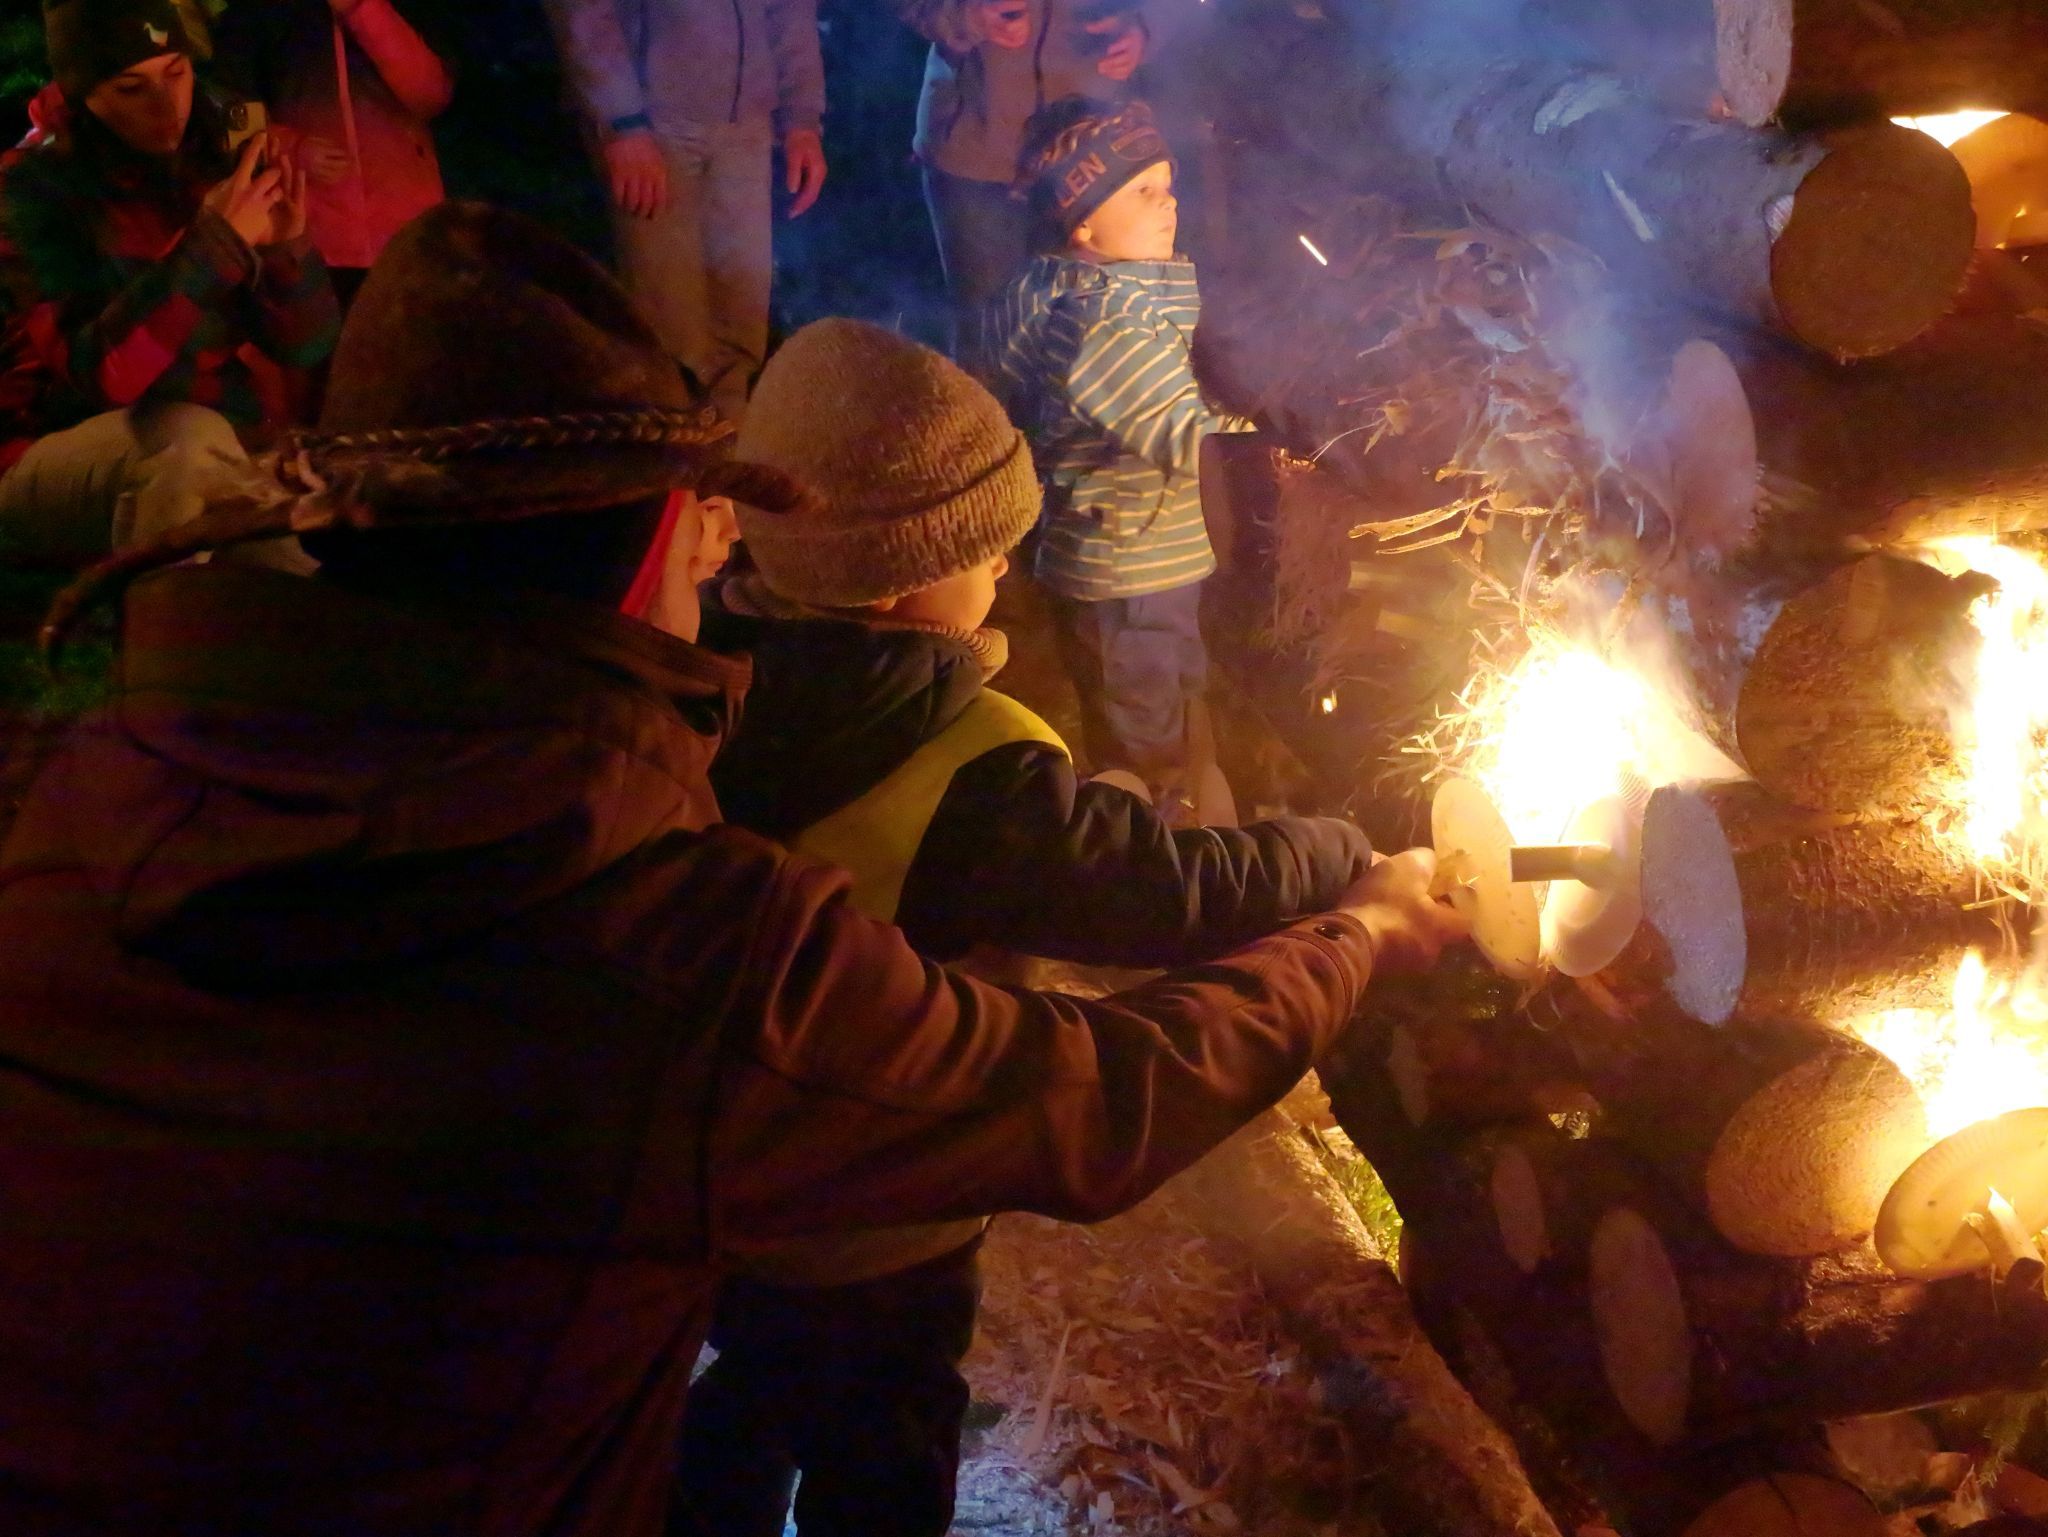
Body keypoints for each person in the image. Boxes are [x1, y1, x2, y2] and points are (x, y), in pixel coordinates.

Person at [0, 199, 1465, 1537]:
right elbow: (1091, 1098)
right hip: (768, 1328)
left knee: (749, 1400)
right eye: (698, 531)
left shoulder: (76, 795)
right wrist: (1360, 933)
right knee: (874, 1429)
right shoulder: (667, 939)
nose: (721, 556)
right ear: (648, 555)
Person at [668, 316, 1378, 1537]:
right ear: (897, 576)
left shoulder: (702, 675)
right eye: (982, 547)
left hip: (724, 1171)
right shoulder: (979, 766)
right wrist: (1334, 854)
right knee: (888, 1427)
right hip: (882, 1203)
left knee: (760, 1379)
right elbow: (1162, 892)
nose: (1006, 564)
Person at [0, 0, 339, 568]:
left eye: (176, 72)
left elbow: (307, 346)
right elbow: (101, 376)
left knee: (294, 577)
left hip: (212, 446)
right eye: (131, 88)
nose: (167, 105)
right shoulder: (33, 186)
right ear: (84, 95)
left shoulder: (212, 160)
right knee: (186, 439)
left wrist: (285, 252)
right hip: (45, 451)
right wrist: (211, 249)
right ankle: (161, 621)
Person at [982, 96, 1246, 806]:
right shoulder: (1105, 322)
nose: (1170, 203)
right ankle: (1154, 835)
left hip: (1133, 557)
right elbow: (1178, 427)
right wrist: (1287, 418)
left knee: (1165, 689)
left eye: (1168, 184)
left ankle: (1184, 798)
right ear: (1082, 222)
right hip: (1129, 568)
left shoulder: (1079, 291)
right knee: (1143, 727)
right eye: (1143, 191)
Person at [542, 0, 827, 424]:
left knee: (740, 330)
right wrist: (622, 122)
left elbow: (790, 8)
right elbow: (584, 10)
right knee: (672, 334)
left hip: (747, 123)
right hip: (654, 125)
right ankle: (675, 455)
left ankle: (728, 452)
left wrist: (801, 119)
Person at [897, 0, 1146, 350]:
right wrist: (967, 17)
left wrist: (1146, 29)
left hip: (1090, 155)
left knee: (1086, 336)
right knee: (989, 336)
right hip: (976, 154)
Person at [212, 0, 454, 308]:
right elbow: (235, 115)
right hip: (313, 243)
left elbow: (430, 95)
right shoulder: (257, 12)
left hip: (409, 233)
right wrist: (293, 149)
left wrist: (360, 8)